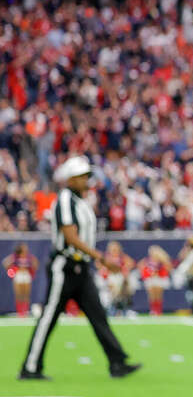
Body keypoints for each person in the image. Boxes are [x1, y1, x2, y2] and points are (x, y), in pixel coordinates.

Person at [18, 156, 141, 380]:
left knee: (98, 314)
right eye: (83, 176)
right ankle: (30, 366)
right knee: (49, 317)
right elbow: (70, 236)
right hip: (64, 266)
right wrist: (101, 258)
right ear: (71, 179)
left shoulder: (80, 201)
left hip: (81, 268)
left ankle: (117, 362)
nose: (87, 180)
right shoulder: (65, 199)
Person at [98, 241, 135, 316]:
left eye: (116, 249)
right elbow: (99, 265)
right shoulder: (106, 257)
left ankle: (123, 308)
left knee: (126, 285)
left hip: (120, 278)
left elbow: (131, 263)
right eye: (113, 249)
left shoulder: (123, 257)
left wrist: (124, 269)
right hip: (109, 278)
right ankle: (111, 308)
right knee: (110, 289)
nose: (114, 251)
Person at [4, 243, 38, 317]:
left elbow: (36, 263)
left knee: (26, 295)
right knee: (19, 295)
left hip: (26, 275)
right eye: (24, 248)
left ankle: (25, 312)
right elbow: (5, 262)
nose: (26, 249)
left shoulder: (29, 257)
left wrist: (32, 271)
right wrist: (11, 271)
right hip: (18, 275)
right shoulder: (15, 256)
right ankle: (20, 312)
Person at [138, 245, 172, 316]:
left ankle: (158, 310)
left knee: (158, 293)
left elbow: (169, 268)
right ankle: (153, 309)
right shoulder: (147, 260)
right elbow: (140, 266)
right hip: (150, 279)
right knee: (152, 292)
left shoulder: (162, 261)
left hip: (160, 278)